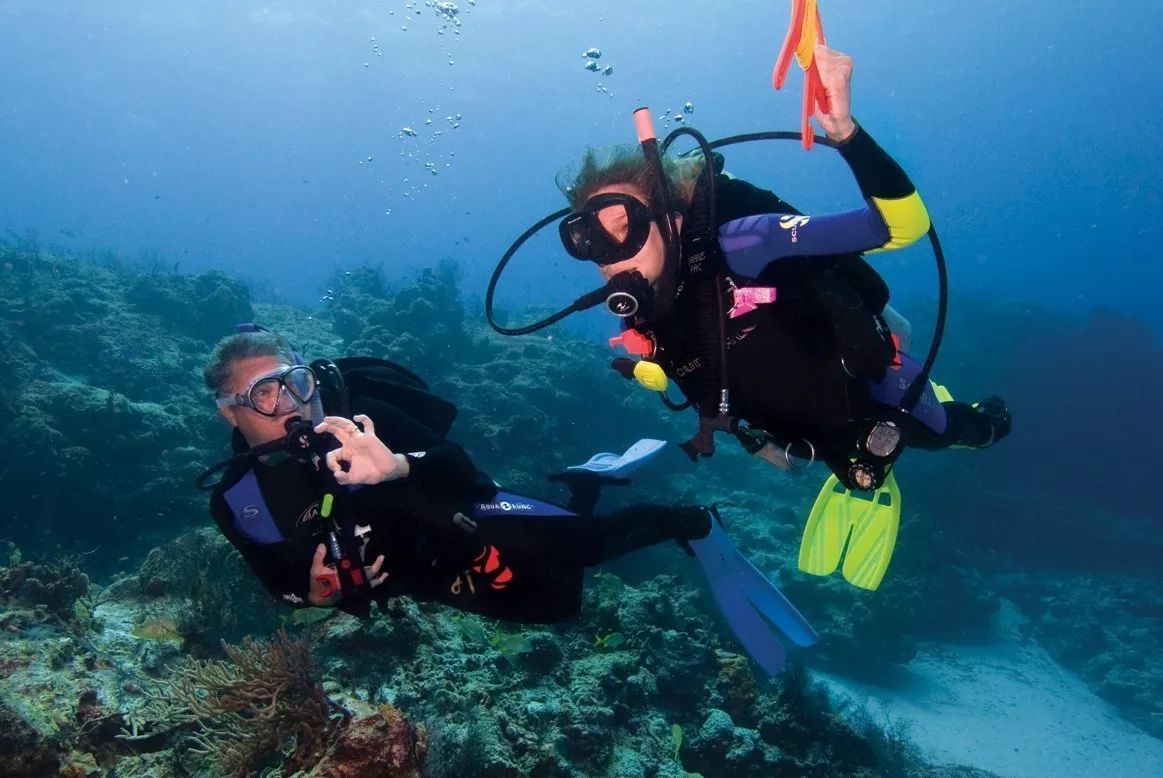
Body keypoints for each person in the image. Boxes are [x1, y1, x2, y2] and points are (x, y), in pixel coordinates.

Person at [551, 45, 1011, 589]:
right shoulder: (645, 314)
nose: (605, 252)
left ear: (671, 218)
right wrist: (745, 435)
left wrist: (846, 134)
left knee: (938, 432)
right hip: (793, 430)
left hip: (873, 390)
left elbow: (900, 225)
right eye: (584, 237)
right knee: (850, 455)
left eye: (618, 223)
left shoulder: (747, 243)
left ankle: (980, 420)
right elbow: (691, 375)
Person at [201, 328, 818, 675]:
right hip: (426, 575)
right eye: (265, 395)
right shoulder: (238, 500)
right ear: (230, 410)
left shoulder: (361, 418)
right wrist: (308, 595)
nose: (293, 404)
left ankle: (695, 523)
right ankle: (584, 483)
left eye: (296, 382)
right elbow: (273, 579)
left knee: (584, 548)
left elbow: (460, 470)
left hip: (462, 512)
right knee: (549, 602)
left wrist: (395, 466)